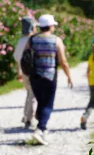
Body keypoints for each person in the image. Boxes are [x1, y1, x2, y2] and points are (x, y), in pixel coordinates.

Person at [28, 14, 73, 145]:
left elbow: (25, 57)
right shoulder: (56, 40)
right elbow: (63, 61)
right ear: (51, 26)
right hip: (49, 76)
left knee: (41, 102)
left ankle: (43, 127)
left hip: (34, 76)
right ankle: (40, 129)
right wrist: (69, 76)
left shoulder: (32, 39)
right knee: (47, 104)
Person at [13, 16, 38, 129]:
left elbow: (17, 58)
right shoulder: (33, 40)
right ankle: (29, 119)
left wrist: (19, 72)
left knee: (29, 94)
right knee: (32, 95)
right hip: (32, 71)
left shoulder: (21, 41)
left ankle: (25, 116)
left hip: (23, 71)